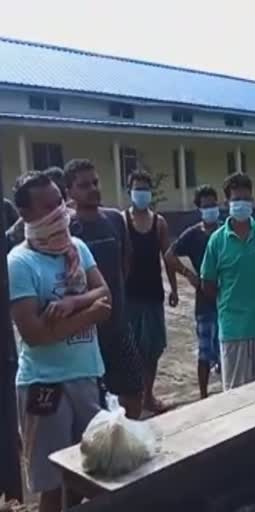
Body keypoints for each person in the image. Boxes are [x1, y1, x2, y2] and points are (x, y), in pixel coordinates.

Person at [8, 171, 111, 512]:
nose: (61, 211)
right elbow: (35, 335)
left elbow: (104, 293)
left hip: (86, 376)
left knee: (95, 474)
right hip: (45, 387)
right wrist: (88, 314)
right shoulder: (19, 263)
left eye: (60, 202)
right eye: (49, 206)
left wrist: (71, 304)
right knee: (52, 486)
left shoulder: (76, 248)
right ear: (27, 215)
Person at [64, 159, 144, 419]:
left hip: (119, 324)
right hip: (86, 333)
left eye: (95, 182)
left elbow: (126, 260)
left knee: (133, 391)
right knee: (93, 403)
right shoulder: (66, 228)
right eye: (84, 185)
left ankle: (129, 438)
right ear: (69, 192)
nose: (93, 189)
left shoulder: (114, 219)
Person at [201, 173, 255, 391]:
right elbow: (207, 282)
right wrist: (226, 301)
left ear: (253, 201)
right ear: (227, 203)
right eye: (237, 200)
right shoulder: (217, 240)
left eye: (246, 199)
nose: (242, 204)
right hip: (232, 330)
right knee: (235, 395)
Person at [124, 170, 178, 413]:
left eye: (146, 188)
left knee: (153, 349)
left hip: (153, 294)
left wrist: (175, 288)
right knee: (131, 349)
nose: (142, 192)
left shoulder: (159, 223)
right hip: (129, 296)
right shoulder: (121, 221)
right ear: (130, 191)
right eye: (138, 188)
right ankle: (132, 395)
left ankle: (148, 395)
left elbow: (168, 257)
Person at [165, 185, 221, 399]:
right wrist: (188, 273)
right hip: (204, 303)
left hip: (226, 300)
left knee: (225, 349)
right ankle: (204, 395)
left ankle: (229, 392)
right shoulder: (193, 235)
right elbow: (169, 256)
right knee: (205, 352)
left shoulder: (226, 230)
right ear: (199, 208)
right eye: (206, 206)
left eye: (213, 205)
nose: (211, 209)